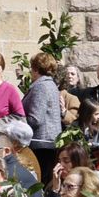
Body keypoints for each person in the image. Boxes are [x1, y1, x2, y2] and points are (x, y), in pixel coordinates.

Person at [24, 52, 64, 182]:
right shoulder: (50, 85)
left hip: (41, 144)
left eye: (31, 68)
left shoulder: (41, 86)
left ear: (36, 69)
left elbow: (36, 119)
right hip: (48, 143)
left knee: (39, 182)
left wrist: (18, 122)